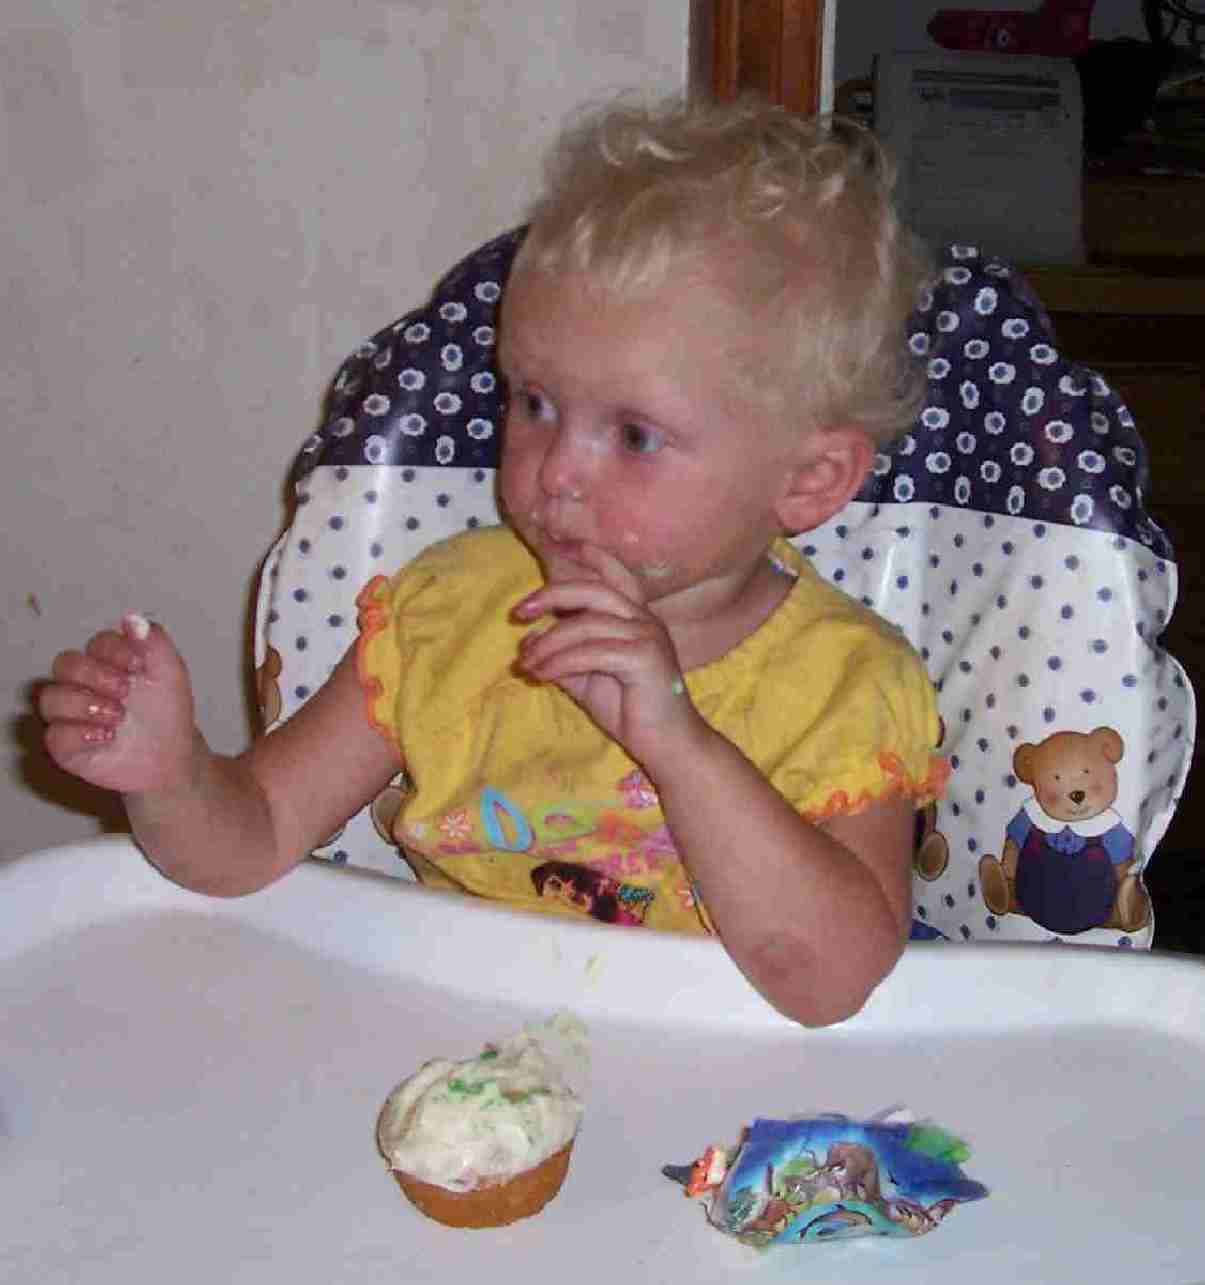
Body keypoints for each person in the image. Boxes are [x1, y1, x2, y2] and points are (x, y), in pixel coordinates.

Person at [38, 94, 945, 1027]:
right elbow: (253, 837)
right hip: (467, 1052)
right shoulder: (450, 618)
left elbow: (832, 985)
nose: (557, 472)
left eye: (634, 434)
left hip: (725, 1078)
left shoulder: (848, 686)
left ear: (807, 480)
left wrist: (679, 743)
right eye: (534, 403)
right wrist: (169, 774)